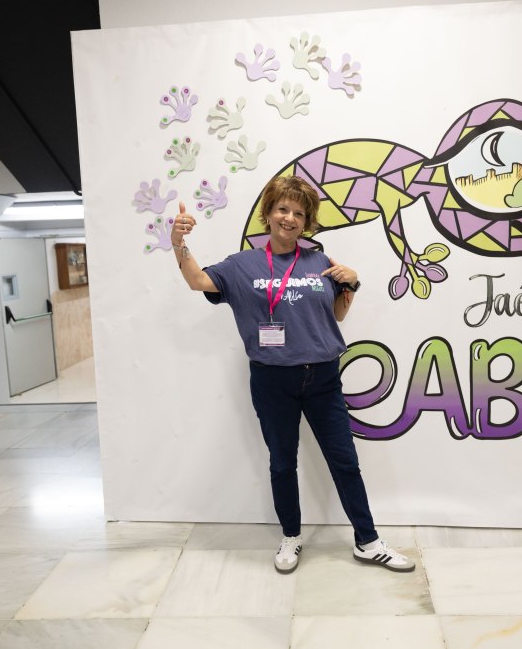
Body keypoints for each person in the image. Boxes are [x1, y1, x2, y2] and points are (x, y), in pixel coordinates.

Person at [169, 175, 414, 574]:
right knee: (282, 462)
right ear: (268, 213)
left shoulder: (321, 262)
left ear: (306, 221)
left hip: (323, 378)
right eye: (283, 209)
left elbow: (336, 316)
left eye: (299, 213)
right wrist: (178, 241)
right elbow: (198, 281)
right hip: (272, 380)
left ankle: (367, 541)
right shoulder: (242, 264)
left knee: (345, 461)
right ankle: (291, 536)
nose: (290, 218)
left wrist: (351, 285)